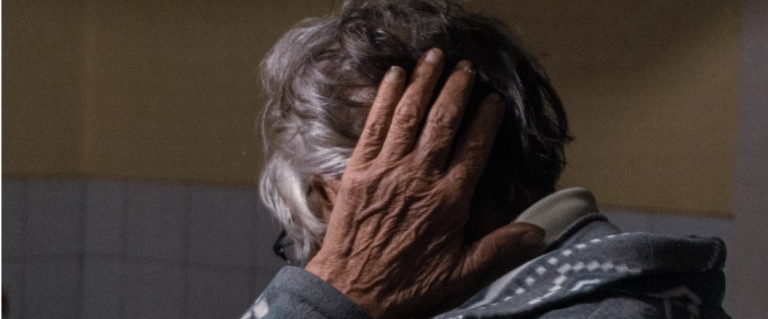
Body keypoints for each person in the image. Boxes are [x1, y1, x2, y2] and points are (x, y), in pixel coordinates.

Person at [244, 1, 729, 318]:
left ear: (352, 201)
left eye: (314, 243)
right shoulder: (655, 290)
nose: (321, 262)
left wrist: (329, 296)